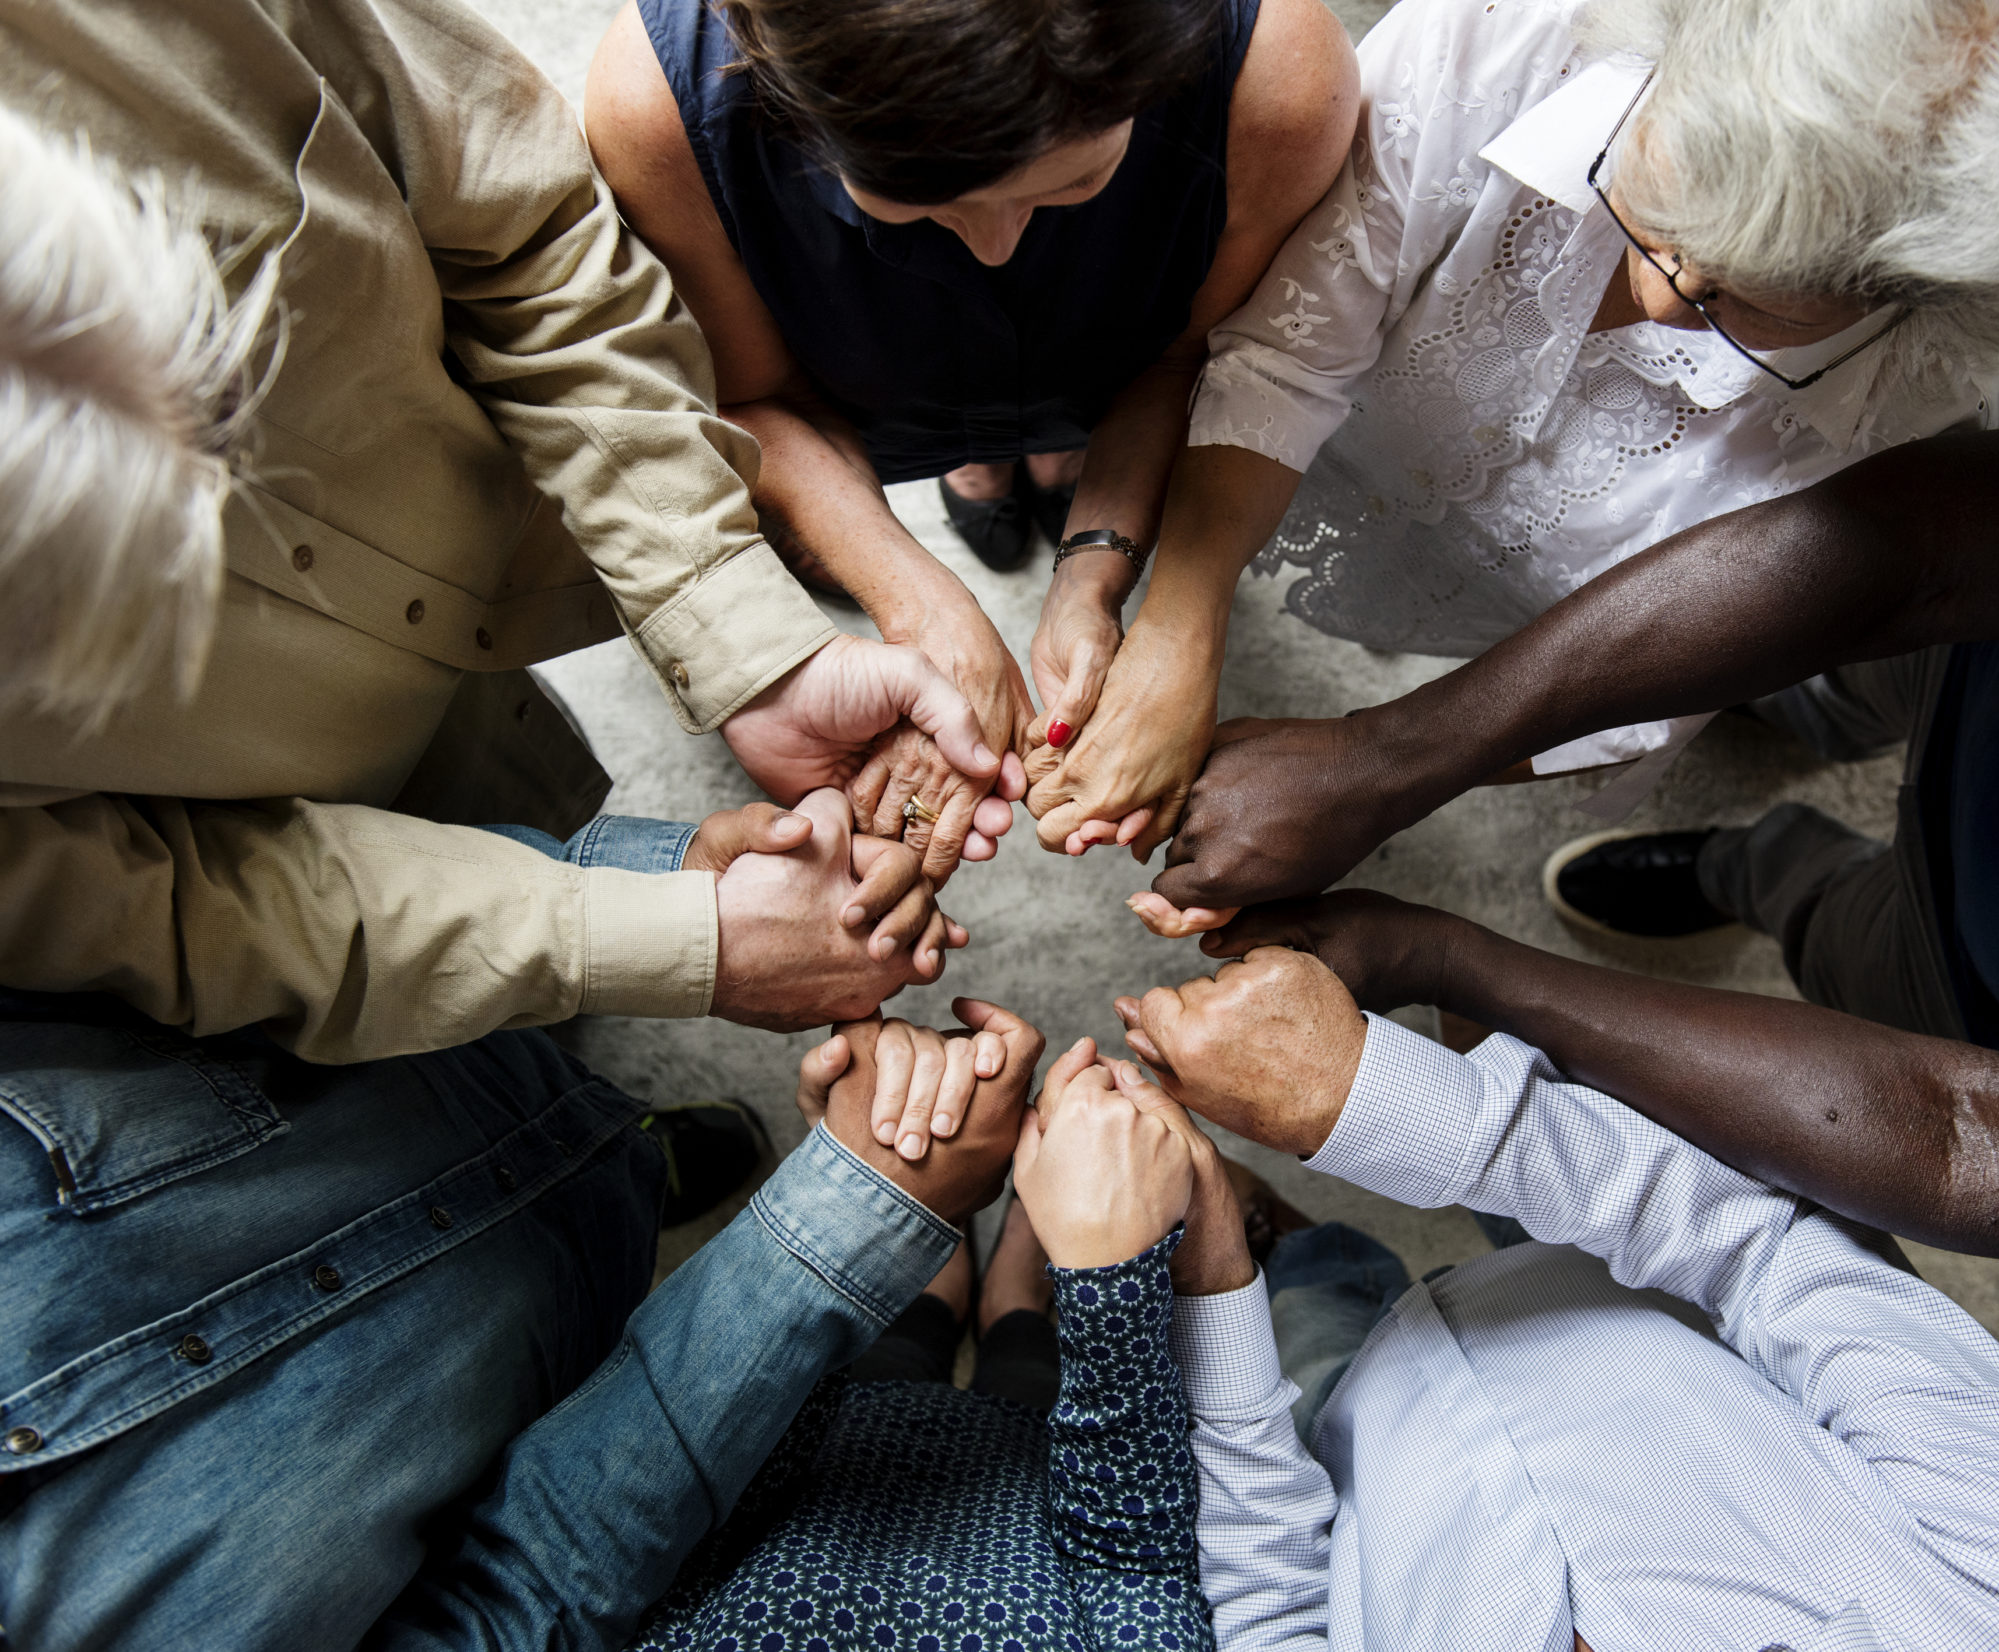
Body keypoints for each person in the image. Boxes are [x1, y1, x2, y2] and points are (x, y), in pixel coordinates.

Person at [0, 0, 1018, 1064]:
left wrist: (745, 642)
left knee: (529, 842)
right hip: (250, 836)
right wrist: (653, 942)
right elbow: (151, 904)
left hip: (488, 700)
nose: (220, 551)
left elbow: (530, 238)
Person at [1026, 0, 1999, 858]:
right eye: (1656, 220)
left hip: (1521, 618)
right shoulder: (1500, 45)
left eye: (1746, 305)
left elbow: (1643, 683)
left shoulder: (1916, 427)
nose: (1656, 295)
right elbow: (1287, 352)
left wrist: (1365, 767)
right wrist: (1176, 623)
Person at [1143, 415, 1999, 1254]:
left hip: (1976, 995)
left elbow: (1956, 1131)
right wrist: (1378, 759)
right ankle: (1778, 752)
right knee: (1840, 658)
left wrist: (1443, 958)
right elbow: (1911, 552)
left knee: (1834, 932)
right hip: (1985, 642)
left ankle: (1755, 875)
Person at [0, 988, 1041, 1651]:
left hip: (434, 1085)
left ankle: (623, 1149)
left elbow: (148, 916)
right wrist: (845, 1208)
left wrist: (663, 914)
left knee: (575, 1130)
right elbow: (518, 1599)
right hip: (552, 1354)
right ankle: (987, 1308)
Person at [582, 0, 1359, 858]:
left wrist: (1097, 567)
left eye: (1071, 182)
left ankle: (1056, 457)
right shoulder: (660, 109)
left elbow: (1189, 358)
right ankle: (989, 462)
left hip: (1116, 363)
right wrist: (922, 604)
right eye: (915, 197)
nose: (994, 247)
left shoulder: (1281, 83)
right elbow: (763, 397)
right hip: (857, 391)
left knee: (1086, 393)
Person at [1112, 945, 1999, 1649]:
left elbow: (1273, 1620)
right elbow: (1767, 1253)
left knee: (1314, 1303)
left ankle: (1293, 1242)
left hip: (1353, 1467)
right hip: (1615, 1283)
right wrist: (1384, 1100)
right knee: (1545, 1136)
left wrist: (1216, 1286)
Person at [629, 1036, 1217, 1652]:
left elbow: (699, 1515)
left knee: (897, 1346)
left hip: (842, 1455)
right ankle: (1009, 1299)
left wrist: (850, 1208)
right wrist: (1106, 1276)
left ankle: (932, 1255)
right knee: (1026, 1359)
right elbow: (1137, 1579)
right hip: (1037, 1488)